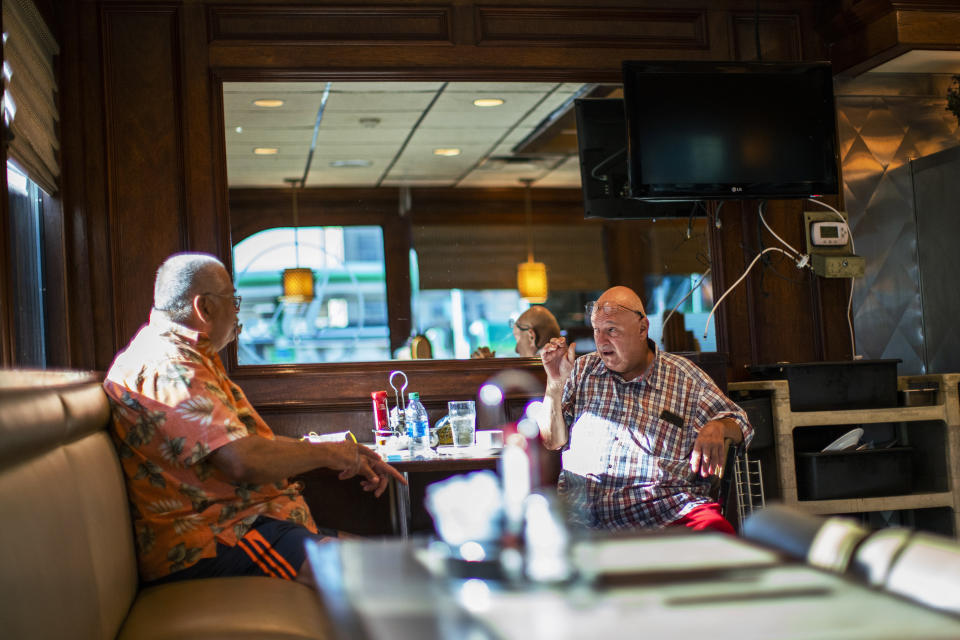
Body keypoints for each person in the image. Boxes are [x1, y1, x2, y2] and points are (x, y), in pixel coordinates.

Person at [103, 252, 405, 588]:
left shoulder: (186, 354)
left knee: (394, 560)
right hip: (213, 540)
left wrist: (345, 451)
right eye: (233, 300)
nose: (237, 311)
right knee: (392, 574)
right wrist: (329, 455)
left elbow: (242, 443)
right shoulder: (171, 366)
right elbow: (241, 460)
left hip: (246, 522)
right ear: (205, 308)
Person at [537, 286, 752, 533]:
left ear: (642, 329)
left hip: (666, 511)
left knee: (717, 532)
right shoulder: (582, 370)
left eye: (611, 330)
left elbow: (741, 423)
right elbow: (552, 441)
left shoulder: (683, 377)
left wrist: (718, 426)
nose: (601, 341)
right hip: (587, 517)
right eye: (597, 330)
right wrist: (554, 384)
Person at [471, 305, 562, 358]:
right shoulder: (571, 368)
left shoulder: (530, 376)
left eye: (517, 339)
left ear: (531, 337)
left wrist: (487, 371)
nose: (516, 350)